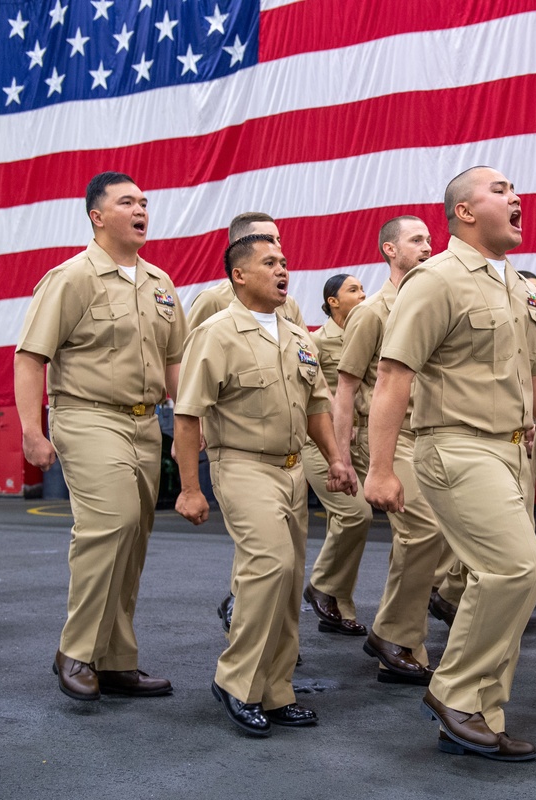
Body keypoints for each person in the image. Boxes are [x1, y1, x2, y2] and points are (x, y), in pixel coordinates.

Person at [364, 166, 536, 761]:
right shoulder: (435, 279)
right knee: (516, 570)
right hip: (457, 444)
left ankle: (481, 715)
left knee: (506, 580)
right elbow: (392, 375)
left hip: (515, 449)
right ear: (464, 211)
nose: (516, 198)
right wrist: (381, 468)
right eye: (499, 190)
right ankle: (456, 693)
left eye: (515, 190)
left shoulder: (514, 283)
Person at [173, 233, 357, 737]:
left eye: (285, 262)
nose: (283, 270)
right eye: (269, 262)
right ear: (239, 275)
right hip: (242, 464)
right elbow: (188, 416)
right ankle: (235, 681)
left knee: (289, 577)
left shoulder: (297, 335)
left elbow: (318, 406)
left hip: (294, 469)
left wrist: (336, 460)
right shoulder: (216, 333)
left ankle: (276, 691)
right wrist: (190, 488)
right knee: (269, 565)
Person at [15, 171, 187, 701]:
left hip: (145, 424)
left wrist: (192, 422)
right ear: (97, 216)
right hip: (88, 416)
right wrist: (30, 431)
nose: (141, 209)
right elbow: (31, 357)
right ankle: (76, 650)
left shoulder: (160, 283)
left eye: (144, 202)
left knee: (134, 538)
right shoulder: (71, 277)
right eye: (127, 202)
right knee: (109, 524)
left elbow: (176, 361)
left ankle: (115, 659)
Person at [332, 215, 451, 686]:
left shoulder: (437, 298)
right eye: (416, 240)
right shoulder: (372, 312)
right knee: (421, 530)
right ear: (389, 250)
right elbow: (345, 390)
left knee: (431, 536)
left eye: (429, 239)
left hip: (436, 433)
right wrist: (341, 457)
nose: (427, 246)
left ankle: (405, 642)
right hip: (395, 437)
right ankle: (393, 635)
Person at [186, 212, 306, 634]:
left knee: (276, 556)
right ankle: (246, 624)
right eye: (266, 246)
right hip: (235, 442)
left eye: (280, 249)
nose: (279, 260)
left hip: (284, 452)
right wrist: (196, 425)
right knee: (264, 551)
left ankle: (262, 632)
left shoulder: (287, 307)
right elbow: (192, 372)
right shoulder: (213, 304)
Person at [301, 274, 374, 635]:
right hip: (320, 441)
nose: (363, 294)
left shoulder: (369, 329)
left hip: (358, 438)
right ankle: (321, 584)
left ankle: (339, 604)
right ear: (332, 301)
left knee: (349, 522)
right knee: (354, 513)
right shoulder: (316, 341)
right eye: (354, 290)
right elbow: (315, 392)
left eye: (363, 289)